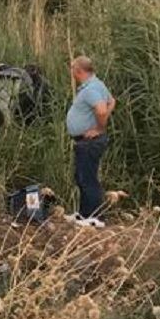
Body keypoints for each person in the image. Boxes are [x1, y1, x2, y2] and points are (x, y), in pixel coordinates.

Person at [66, 55, 115, 227]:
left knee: (87, 178)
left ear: (79, 70)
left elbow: (101, 110)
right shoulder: (97, 84)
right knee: (82, 176)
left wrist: (98, 128)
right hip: (86, 140)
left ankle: (94, 217)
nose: (71, 73)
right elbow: (112, 102)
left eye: (72, 69)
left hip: (90, 141)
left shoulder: (91, 89)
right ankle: (84, 214)